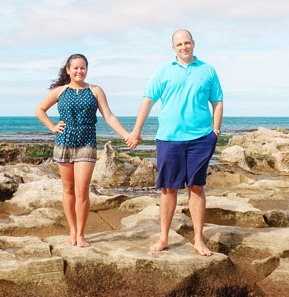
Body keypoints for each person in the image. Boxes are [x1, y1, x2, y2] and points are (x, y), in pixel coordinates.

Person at [127, 30, 223, 256]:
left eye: (187, 43)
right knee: (169, 189)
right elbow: (147, 101)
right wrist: (136, 130)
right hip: (169, 139)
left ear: (193, 44)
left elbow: (217, 102)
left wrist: (215, 132)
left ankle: (199, 241)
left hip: (201, 139)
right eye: (179, 44)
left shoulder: (207, 70)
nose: (184, 47)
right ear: (173, 48)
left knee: (196, 188)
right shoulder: (164, 71)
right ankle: (164, 238)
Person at [35, 53, 134, 248]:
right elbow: (40, 110)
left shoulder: (95, 90)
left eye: (83, 68)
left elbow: (109, 116)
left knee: (82, 191)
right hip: (64, 141)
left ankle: (81, 234)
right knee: (68, 189)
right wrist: (53, 127)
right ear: (68, 70)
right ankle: (72, 231)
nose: (79, 71)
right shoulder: (60, 91)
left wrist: (126, 134)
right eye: (75, 68)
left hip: (86, 142)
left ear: (86, 70)